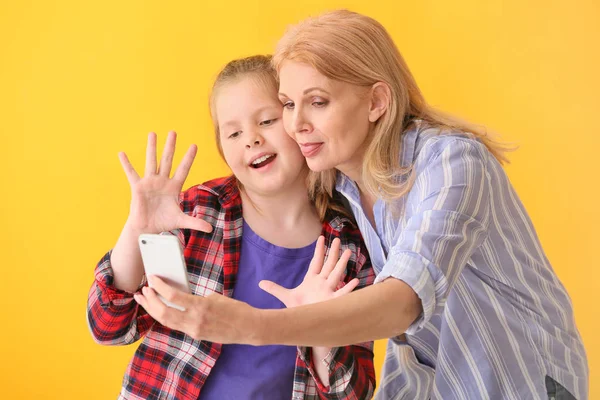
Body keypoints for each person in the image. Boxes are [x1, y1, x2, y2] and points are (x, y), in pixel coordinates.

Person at [134, 10, 589, 400]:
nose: (295, 125)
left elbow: (402, 303)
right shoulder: (341, 192)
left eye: (317, 102)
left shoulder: (452, 162)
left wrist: (253, 326)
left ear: (376, 101)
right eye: (288, 104)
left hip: (520, 382)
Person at [87, 54, 376, 399]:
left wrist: (320, 328)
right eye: (234, 132)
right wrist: (136, 229)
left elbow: (352, 393)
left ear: (301, 123)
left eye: (267, 121)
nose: (250, 139)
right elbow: (109, 327)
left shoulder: (349, 247)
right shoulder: (197, 211)